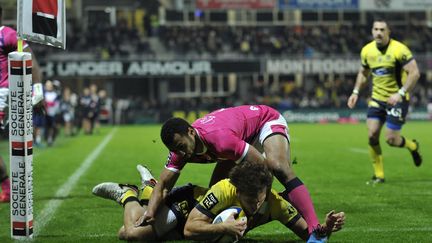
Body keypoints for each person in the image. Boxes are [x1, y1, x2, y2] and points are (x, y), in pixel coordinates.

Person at [144, 105, 320, 233]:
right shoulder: (179, 152)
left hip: (263, 123)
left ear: (191, 132)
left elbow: (262, 167)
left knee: (278, 166)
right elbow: (164, 186)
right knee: (215, 191)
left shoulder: (220, 140)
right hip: (236, 141)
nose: (181, 153)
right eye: (175, 150)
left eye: (182, 146)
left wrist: (263, 202)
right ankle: (286, 198)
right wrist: (150, 213)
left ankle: (314, 227)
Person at [92, 162, 345, 242]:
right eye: (248, 200)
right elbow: (191, 229)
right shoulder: (225, 189)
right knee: (135, 234)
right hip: (188, 207)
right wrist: (224, 228)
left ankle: (150, 190)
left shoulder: (273, 201)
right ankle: (128, 194)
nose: (255, 205)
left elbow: (308, 235)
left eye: (259, 198)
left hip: (204, 227)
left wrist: (325, 229)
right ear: (237, 190)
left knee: (122, 233)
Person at [347, 18, 422, 184]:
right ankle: (379, 175)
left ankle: (412, 146)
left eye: (382, 30)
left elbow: (415, 73)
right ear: (372, 31)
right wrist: (355, 92)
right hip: (377, 99)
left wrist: (400, 93)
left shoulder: (399, 50)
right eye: (376, 29)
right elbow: (363, 72)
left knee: (391, 140)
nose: (378, 33)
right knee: (372, 134)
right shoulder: (367, 51)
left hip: (398, 100)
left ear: (388, 32)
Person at [0, 5, 42, 202]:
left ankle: (8, 189)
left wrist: (38, 91)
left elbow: (30, 61)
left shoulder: (5, 34)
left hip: (3, 93)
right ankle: (7, 189)